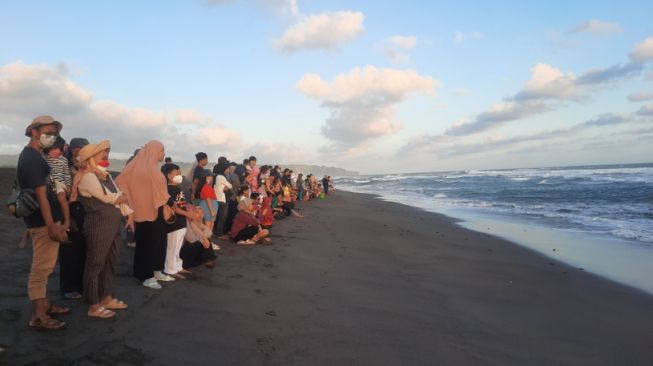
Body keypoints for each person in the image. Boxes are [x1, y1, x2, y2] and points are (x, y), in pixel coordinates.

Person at [18, 115, 69, 331]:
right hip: (42, 222)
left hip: (41, 221)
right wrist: (51, 226)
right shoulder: (32, 159)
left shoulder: (35, 156)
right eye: (47, 132)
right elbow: (41, 196)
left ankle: (44, 305)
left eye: (54, 133)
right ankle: (39, 316)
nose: (51, 137)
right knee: (41, 269)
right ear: (34, 132)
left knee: (45, 267)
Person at [76, 140, 134, 319]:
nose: (106, 154)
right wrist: (122, 198)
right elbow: (110, 198)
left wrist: (129, 215)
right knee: (95, 264)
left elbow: (118, 197)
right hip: (98, 226)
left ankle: (106, 297)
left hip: (113, 225)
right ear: (91, 157)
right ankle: (93, 304)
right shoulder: (88, 177)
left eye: (107, 151)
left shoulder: (105, 176)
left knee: (110, 262)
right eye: (102, 152)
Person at [116, 140, 173, 289]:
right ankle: (146, 275)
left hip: (158, 210)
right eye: (162, 150)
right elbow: (121, 181)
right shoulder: (139, 168)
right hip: (144, 210)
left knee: (160, 242)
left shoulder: (152, 168)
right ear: (154, 152)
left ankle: (156, 270)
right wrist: (132, 203)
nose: (163, 153)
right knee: (147, 244)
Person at [61, 137, 90, 299]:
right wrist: (68, 218)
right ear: (74, 150)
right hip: (71, 211)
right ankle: (68, 287)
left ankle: (79, 285)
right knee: (70, 252)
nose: (85, 151)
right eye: (83, 148)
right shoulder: (65, 167)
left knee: (83, 251)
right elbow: (62, 195)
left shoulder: (83, 166)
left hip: (83, 211)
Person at [162, 164, 193, 280]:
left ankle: (178, 266)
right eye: (177, 174)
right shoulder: (168, 189)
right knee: (172, 247)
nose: (180, 176)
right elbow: (173, 207)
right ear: (169, 176)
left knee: (178, 246)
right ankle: (170, 269)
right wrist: (187, 214)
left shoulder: (177, 188)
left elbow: (182, 204)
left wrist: (188, 211)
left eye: (180, 173)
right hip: (173, 223)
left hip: (181, 223)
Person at [213, 161, 232, 239]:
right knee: (222, 217)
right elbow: (230, 186)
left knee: (218, 217)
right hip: (221, 199)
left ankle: (217, 232)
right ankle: (220, 234)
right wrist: (226, 186)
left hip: (217, 198)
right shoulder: (221, 177)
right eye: (227, 168)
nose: (228, 170)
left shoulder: (216, 176)